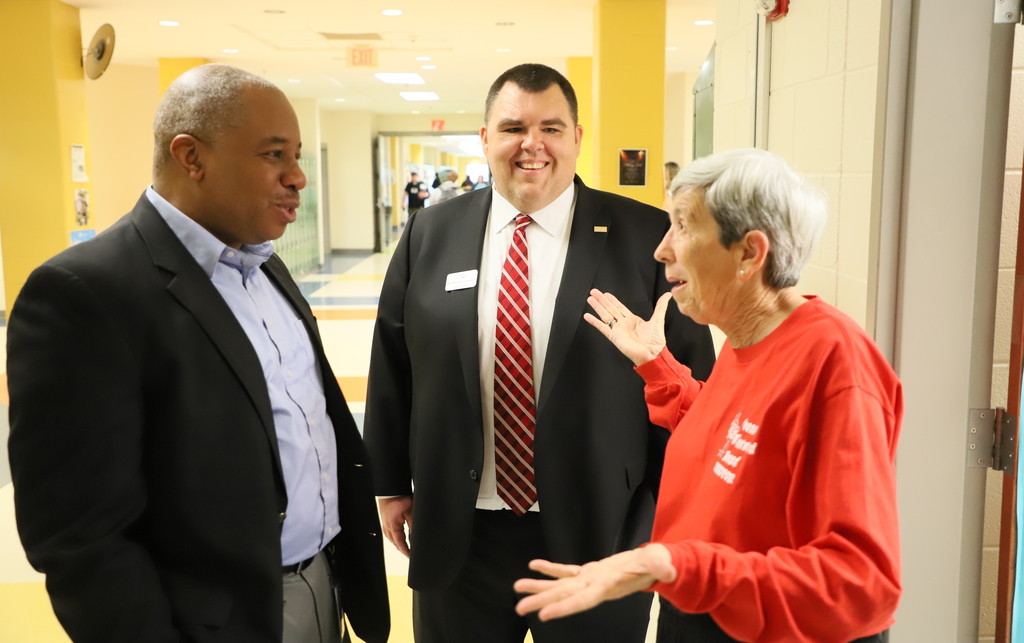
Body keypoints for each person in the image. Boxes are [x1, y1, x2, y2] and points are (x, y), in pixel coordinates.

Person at [6, 64, 390, 643]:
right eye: (274, 155)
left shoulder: (266, 267)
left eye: (299, 156)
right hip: (210, 620)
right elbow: (79, 537)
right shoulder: (87, 294)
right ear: (191, 157)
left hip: (322, 586)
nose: (298, 178)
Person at [363, 63, 716, 643]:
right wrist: (392, 484)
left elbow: (691, 380)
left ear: (578, 139)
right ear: (485, 139)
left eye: (552, 128)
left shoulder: (644, 237)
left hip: (600, 531)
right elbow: (393, 361)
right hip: (460, 530)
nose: (532, 144)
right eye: (512, 128)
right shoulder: (431, 231)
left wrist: (664, 515)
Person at [514, 148, 902, 643]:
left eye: (682, 225)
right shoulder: (750, 341)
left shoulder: (834, 364)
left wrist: (678, 563)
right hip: (701, 609)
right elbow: (741, 440)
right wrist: (660, 368)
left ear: (748, 253)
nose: (662, 250)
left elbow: (861, 585)